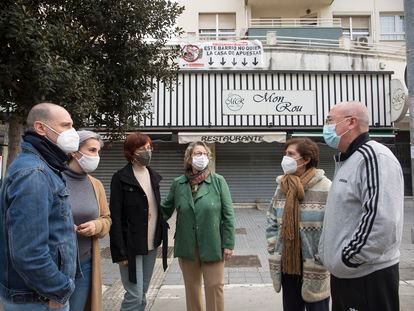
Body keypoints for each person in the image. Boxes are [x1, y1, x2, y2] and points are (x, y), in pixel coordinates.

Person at [318, 101, 404, 311]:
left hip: (367, 278)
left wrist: (347, 259)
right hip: (348, 275)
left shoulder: (374, 157)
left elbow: (382, 221)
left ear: (351, 122)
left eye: (329, 120)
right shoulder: (348, 160)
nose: (325, 126)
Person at [0, 103, 79, 310]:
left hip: (40, 296)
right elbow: (29, 251)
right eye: (66, 125)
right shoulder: (34, 173)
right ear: (41, 128)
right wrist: (58, 290)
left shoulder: (45, 166)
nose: (72, 132)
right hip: (37, 299)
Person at [161, 141, 235, 311]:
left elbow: (229, 214)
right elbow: (165, 210)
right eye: (197, 153)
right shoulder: (178, 184)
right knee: (192, 288)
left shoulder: (218, 181)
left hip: (213, 243)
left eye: (204, 154)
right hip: (187, 244)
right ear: (189, 159)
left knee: (215, 286)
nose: (201, 157)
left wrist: (229, 244)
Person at [266, 138, 331, 311]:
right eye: (285, 153)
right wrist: (274, 247)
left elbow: (334, 227)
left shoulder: (326, 188)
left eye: (290, 154)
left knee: (318, 307)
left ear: (306, 159)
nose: (285, 158)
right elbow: (271, 219)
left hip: (315, 264)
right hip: (288, 263)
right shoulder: (282, 186)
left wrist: (323, 254)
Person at [109, 132, 168, 311]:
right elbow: (115, 216)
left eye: (149, 148)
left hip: (151, 242)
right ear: (131, 151)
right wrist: (120, 252)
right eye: (143, 148)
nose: (147, 152)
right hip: (130, 246)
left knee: (142, 294)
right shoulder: (120, 177)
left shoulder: (153, 176)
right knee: (134, 296)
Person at [63, 131, 111, 311]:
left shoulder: (95, 184)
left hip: (85, 264)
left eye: (98, 152)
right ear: (74, 152)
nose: (96, 156)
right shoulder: (54, 179)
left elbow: (106, 219)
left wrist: (96, 226)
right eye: (92, 150)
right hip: (57, 266)